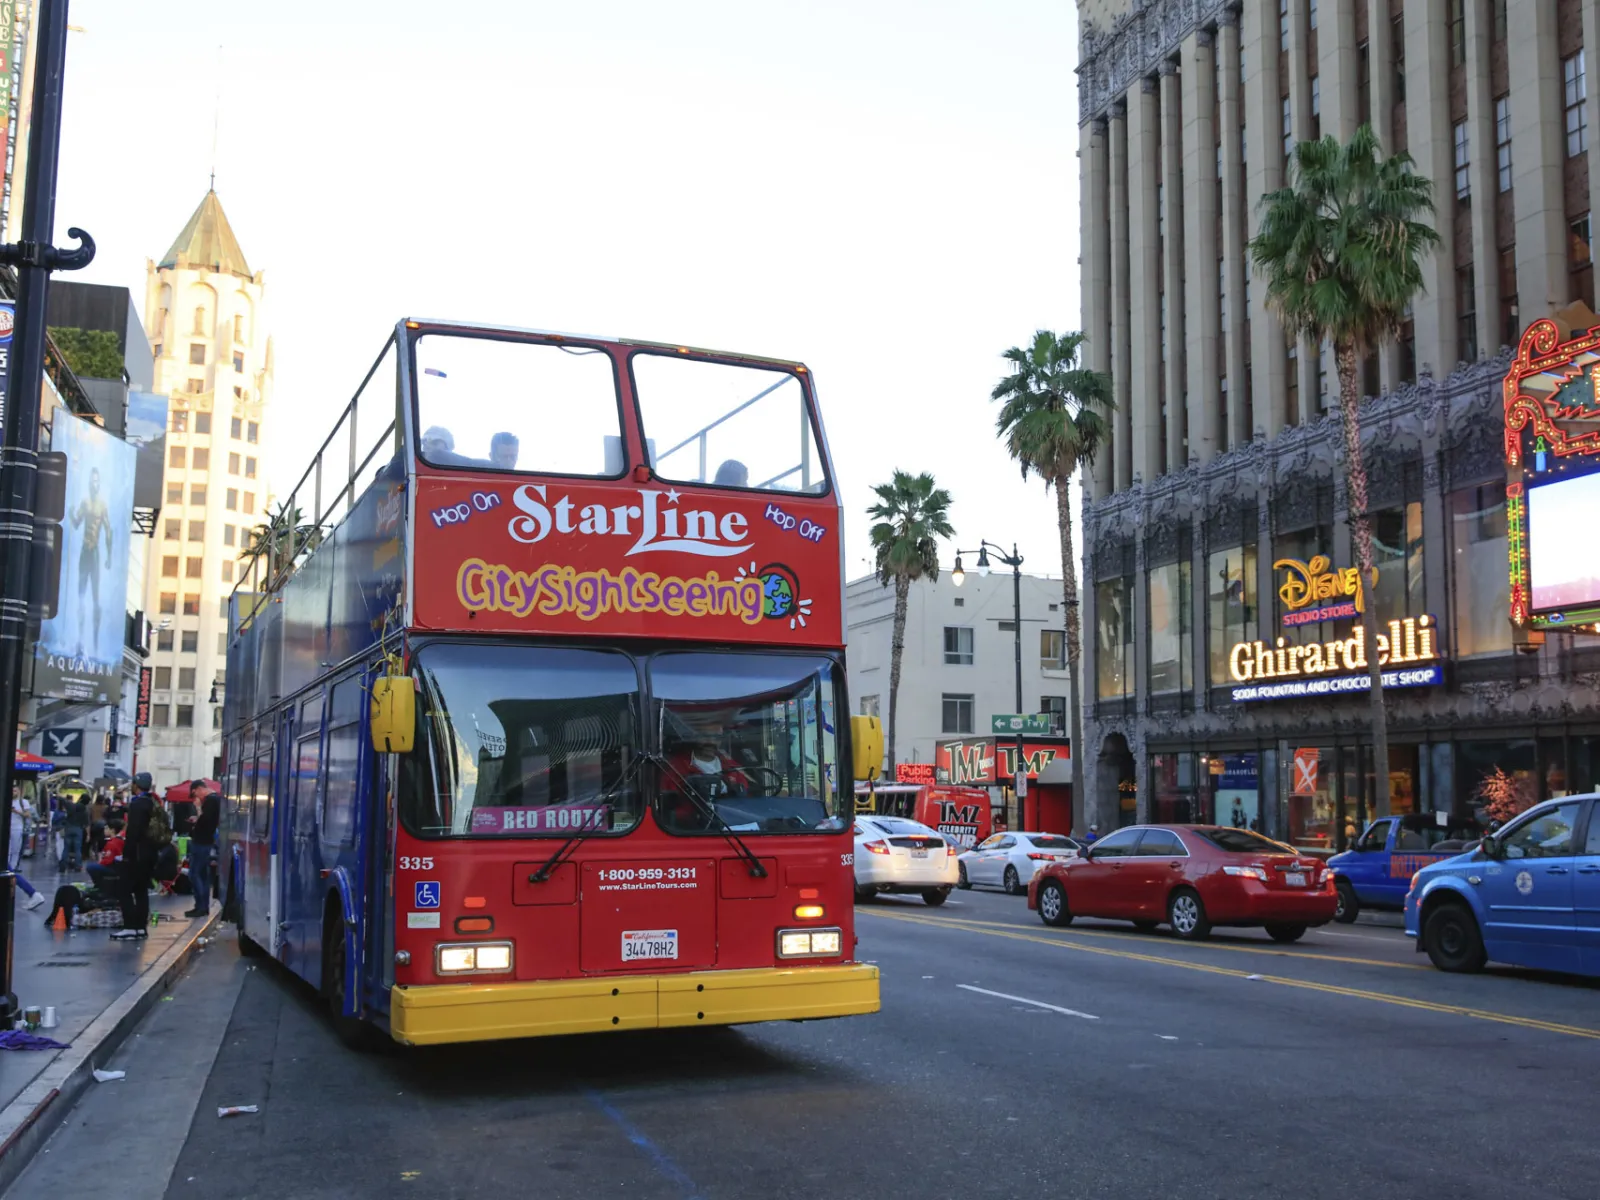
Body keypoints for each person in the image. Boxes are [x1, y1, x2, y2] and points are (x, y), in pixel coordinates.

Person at [69, 465, 114, 654]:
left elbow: (108, 531)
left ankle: (95, 644)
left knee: (95, 598)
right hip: (84, 552)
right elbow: (77, 523)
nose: (94, 484)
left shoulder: (102, 505)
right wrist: (71, 513)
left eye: (97, 481)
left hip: (95, 553)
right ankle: (80, 641)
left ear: (99, 483)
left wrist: (109, 557)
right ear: (89, 483)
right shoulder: (85, 503)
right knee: (81, 596)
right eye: (92, 480)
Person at [113, 773, 158, 940]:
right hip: (149, 854)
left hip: (137, 854)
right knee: (141, 891)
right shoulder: (152, 803)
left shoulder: (137, 804)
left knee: (123, 890)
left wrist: (126, 854)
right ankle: (140, 927)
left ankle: (130, 926)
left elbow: (133, 831)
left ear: (137, 785)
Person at [186, 781, 221, 919]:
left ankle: (201, 905)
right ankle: (202, 906)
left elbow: (206, 822)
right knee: (203, 875)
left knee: (195, 874)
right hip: (206, 842)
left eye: (195, 794)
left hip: (202, 842)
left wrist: (199, 809)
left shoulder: (211, 801)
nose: (197, 798)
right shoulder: (214, 800)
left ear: (200, 789)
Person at [8, 785, 45, 910]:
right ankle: (33, 893)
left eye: (15, 790)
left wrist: (16, 811)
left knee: (9, 867)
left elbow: (28, 815)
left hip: (17, 829)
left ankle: (33, 893)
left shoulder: (23, 802)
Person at [85, 816, 125, 893]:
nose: (104, 830)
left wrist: (100, 863)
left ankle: (100, 886)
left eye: (107, 828)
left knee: (91, 867)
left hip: (114, 868)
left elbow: (107, 860)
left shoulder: (112, 843)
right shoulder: (119, 840)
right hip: (119, 867)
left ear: (112, 830)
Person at [63, 794, 89, 871]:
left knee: (66, 849)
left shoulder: (72, 806)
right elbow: (87, 824)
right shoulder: (85, 811)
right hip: (78, 829)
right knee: (78, 849)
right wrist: (88, 835)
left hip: (69, 828)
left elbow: (64, 802)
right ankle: (78, 866)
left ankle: (63, 866)